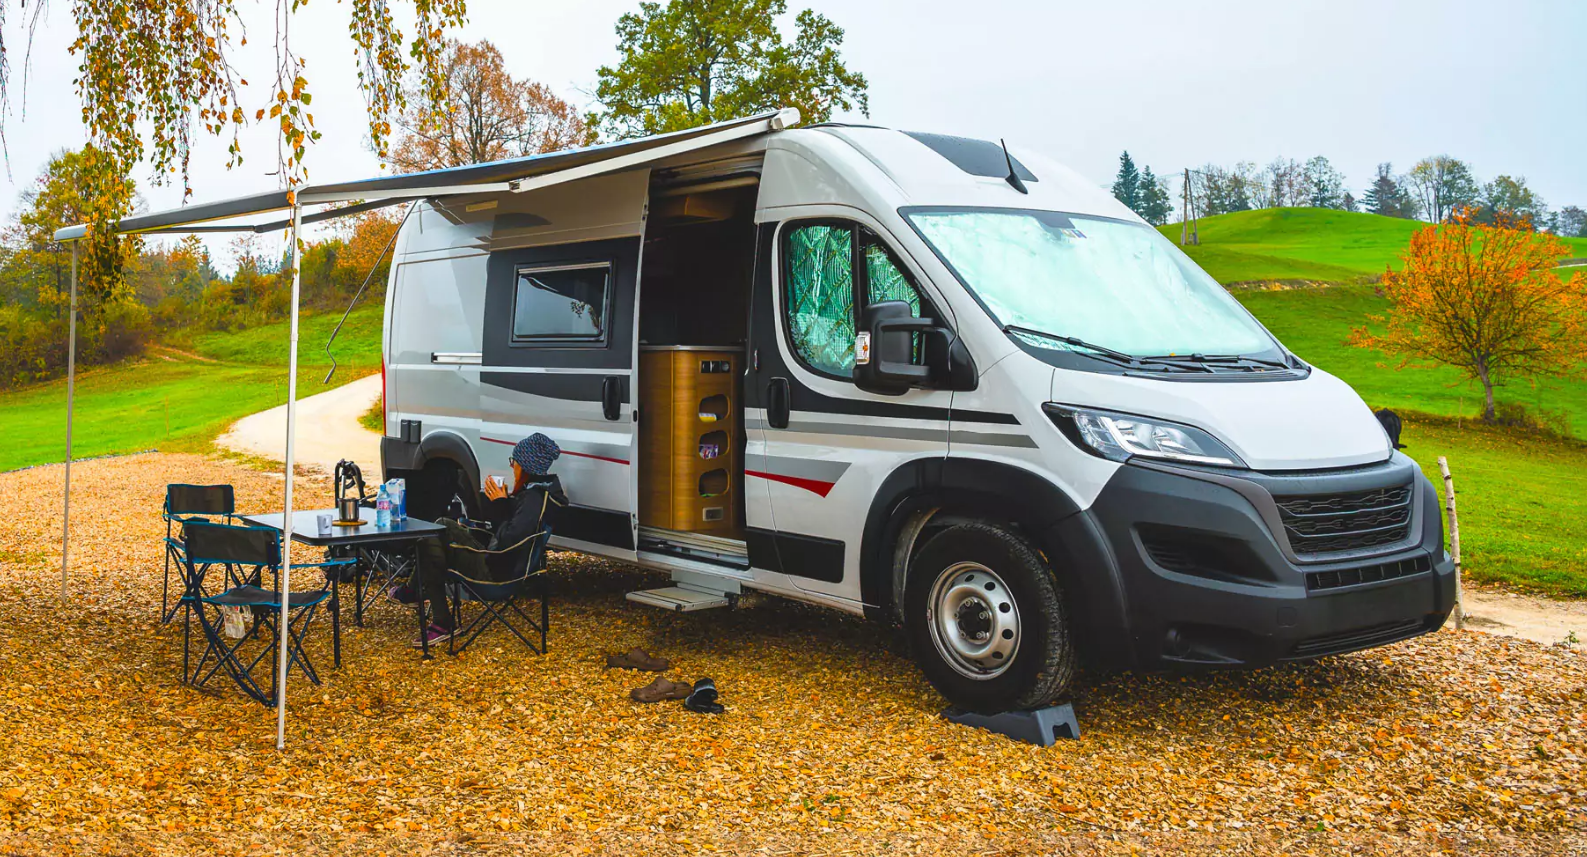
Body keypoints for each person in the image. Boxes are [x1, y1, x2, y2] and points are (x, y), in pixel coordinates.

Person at [404, 433, 567, 647]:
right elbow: (511, 532)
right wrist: (505, 502)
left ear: (526, 468)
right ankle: (415, 592)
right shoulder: (538, 494)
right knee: (441, 527)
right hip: (502, 563)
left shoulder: (532, 501)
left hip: (497, 575)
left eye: (514, 462)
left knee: (432, 540)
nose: (512, 467)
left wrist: (499, 504)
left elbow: (508, 543)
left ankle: (438, 618)